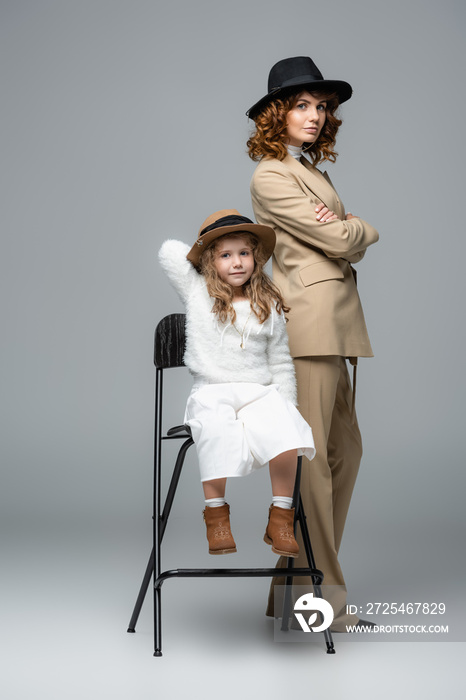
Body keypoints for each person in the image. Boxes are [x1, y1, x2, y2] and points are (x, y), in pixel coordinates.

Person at [247, 56, 379, 630]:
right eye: (302, 105)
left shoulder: (311, 172)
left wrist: (345, 234)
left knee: (340, 454)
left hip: (334, 324)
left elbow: (337, 238)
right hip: (309, 324)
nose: (316, 115)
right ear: (277, 113)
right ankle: (326, 604)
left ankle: (289, 596)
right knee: (315, 465)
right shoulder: (272, 175)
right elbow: (340, 239)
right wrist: (362, 230)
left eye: (322, 107)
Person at [158, 209, 315, 557]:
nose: (237, 262)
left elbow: (279, 359)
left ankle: (281, 518)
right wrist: (202, 250)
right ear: (210, 262)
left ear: (255, 257)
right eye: (225, 255)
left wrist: (286, 403)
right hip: (212, 390)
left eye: (244, 253)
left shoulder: (267, 302)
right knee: (214, 430)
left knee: (288, 430)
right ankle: (216, 516)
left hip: (259, 390)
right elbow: (168, 252)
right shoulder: (198, 292)